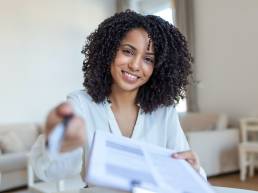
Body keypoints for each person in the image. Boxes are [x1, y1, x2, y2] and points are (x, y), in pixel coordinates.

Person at [30, 10, 206, 183]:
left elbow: (190, 176)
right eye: (128, 51)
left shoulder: (164, 112)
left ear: (158, 68)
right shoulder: (81, 104)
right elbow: (48, 172)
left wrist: (193, 169)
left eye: (148, 59)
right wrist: (57, 144)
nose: (135, 65)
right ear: (109, 51)